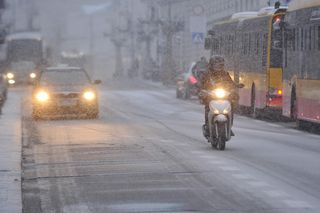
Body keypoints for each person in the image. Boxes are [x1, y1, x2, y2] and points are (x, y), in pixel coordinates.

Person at [200, 55, 238, 137]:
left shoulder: (225, 74)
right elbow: (201, 84)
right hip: (210, 96)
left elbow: (231, 83)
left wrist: (235, 86)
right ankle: (207, 126)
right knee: (207, 107)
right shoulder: (207, 74)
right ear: (212, 65)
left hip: (223, 96)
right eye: (216, 64)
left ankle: (229, 126)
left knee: (231, 107)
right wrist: (203, 91)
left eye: (221, 65)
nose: (219, 66)